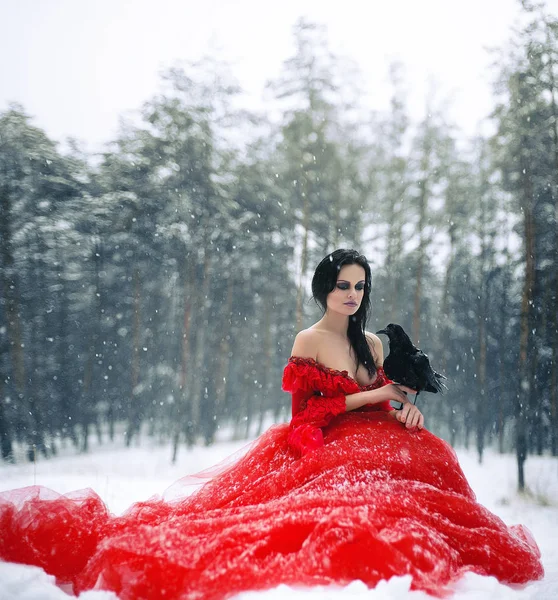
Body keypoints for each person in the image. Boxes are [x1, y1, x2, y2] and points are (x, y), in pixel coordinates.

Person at [0, 249, 544, 600]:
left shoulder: (373, 342)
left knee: (429, 459)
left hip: (382, 436)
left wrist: (404, 407)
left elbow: (389, 398)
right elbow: (307, 415)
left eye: (359, 286)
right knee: (353, 498)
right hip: (325, 442)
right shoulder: (308, 341)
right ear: (323, 288)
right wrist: (373, 395)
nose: (351, 295)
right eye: (341, 285)